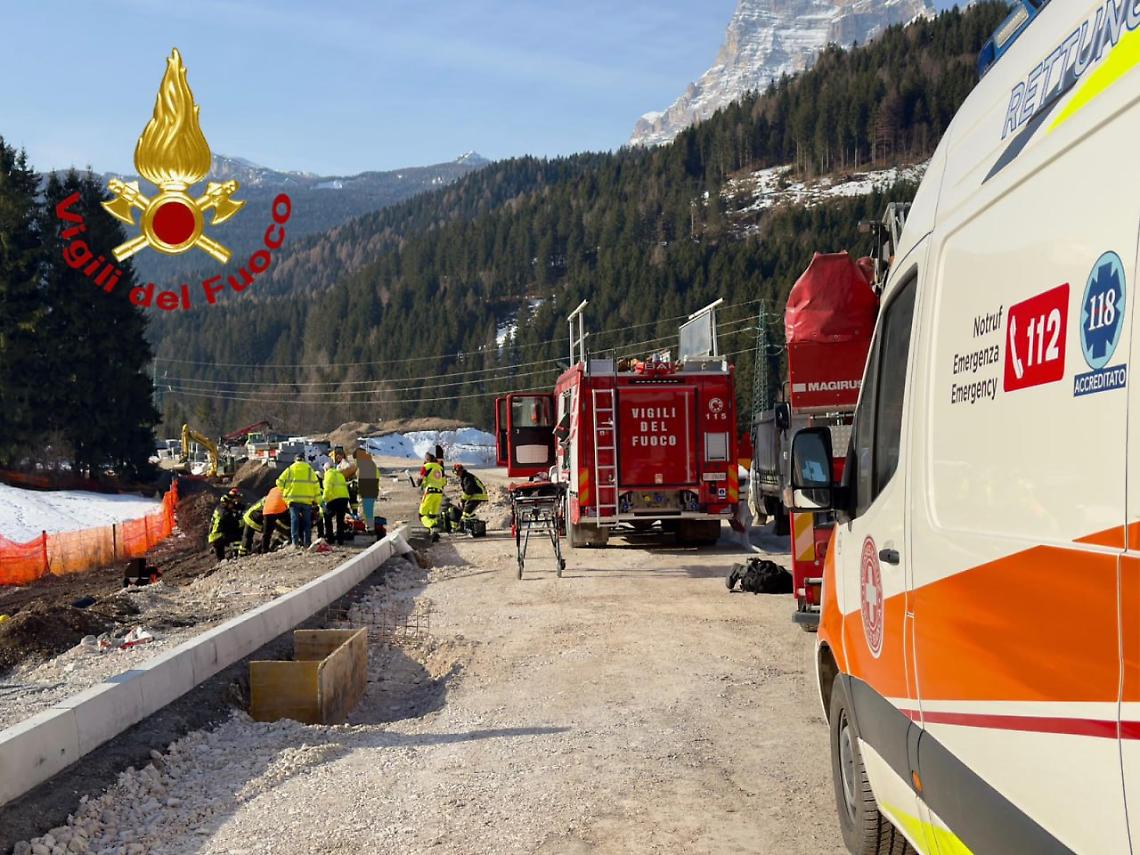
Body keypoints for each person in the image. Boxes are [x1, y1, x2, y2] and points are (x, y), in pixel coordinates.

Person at [277, 453, 320, 547]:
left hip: (293, 500)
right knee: (307, 522)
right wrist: (317, 500)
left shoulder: (290, 469)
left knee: (294, 521)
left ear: (295, 460)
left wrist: (284, 491)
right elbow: (316, 485)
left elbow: (279, 482)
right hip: (307, 501)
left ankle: (295, 543)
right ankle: (307, 543)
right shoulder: (310, 470)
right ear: (303, 460)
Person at [353, 446, 381, 540]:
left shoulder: (364, 465)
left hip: (366, 492)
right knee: (368, 511)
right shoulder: (371, 463)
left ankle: (370, 530)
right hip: (372, 491)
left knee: (366, 512)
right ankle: (369, 528)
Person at [418, 452, 447, 541]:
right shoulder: (440, 468)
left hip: (430, 491)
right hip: (439, 493)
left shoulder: (426, 467)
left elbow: (420, 479)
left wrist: (420, 483)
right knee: (432, 515)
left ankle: (433, 527)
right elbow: (444, 482)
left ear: (426, 459)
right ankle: (434, 534)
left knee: (422, 515)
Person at [322, 461, 351, 545]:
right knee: (340, 520)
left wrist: (324, 500)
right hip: (344, 498)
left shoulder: (328, 474)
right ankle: (340, 540)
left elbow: (327, 488)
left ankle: (330, 538)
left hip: (335, 498)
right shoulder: (339, 474)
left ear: (326, 468)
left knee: (327, 517)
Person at [207, 491, 243, 559]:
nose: (232, 504)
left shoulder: (219, 509)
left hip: (214, 537)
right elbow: (234, 524)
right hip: (219, 536)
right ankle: (237, 554)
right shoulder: (225, 513)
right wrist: (241, 521)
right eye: (231, 503)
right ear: (226, 503)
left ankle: (222, 564)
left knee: (220, 559)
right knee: (238, 535)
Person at [452, 463, 488, 529]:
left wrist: (462, 500)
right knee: (465, 512)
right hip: (476, 495)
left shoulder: (467, 478)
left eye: (457, 472)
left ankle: (467, 526)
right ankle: (468, 525)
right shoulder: (465, 477)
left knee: (466, 513)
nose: (457, 474)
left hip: (478, 495)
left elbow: (469, 491)